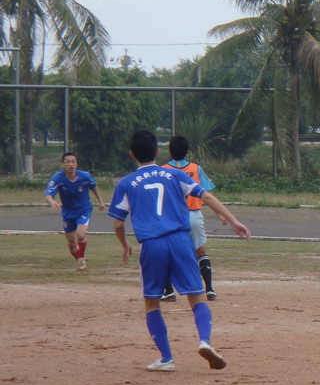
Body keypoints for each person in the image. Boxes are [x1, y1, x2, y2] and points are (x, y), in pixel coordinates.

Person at [108, 130, 251, 372]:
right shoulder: (175, 174)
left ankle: (166, 359)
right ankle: (204, 341)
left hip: (152, 244)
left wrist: (124, 245)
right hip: (181, 241)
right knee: (197, 296)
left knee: (152, 302)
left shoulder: (126, 183)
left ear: (132, 154)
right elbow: (206, 196)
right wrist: (234, 221)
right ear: (157, 152)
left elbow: (118, 223)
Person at [160, 135, 218, 302]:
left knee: (167, 253)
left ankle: (169, 291)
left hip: (172, 217)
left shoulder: (162, 170)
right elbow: (207, 193)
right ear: (187, 151)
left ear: (170, 151)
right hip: (193, 214)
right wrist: (220, 213)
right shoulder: (196, 168)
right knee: (200, 251)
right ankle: (209, 289)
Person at [45, 152, 106, 271]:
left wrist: (100, 201)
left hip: (83, 209)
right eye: (68, 162)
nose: (71, 164)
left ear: (77, 164)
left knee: (81, 235)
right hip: (68, 212)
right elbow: (48, 194)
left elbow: (93, 186)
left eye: (73, 162)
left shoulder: (85, 176)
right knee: (72, 242)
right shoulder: (58, 178)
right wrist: (52, 201)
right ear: (63, 164)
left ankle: (81, 259)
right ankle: (79, 258)